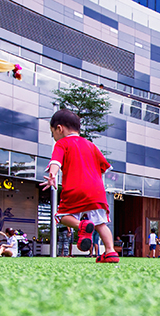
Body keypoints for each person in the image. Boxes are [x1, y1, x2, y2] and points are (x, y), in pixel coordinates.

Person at [41, 109, 120, 263]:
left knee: (62, 216)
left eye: (53, 133)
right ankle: (110, 252)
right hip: (96, 190)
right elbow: (104, 168)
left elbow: (56, 162)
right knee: (100, 223)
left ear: (59, 128)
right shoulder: (91, 145)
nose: (53, 137)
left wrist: (52, 176)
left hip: (75, 187)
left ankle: (81, 224)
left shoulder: (61, 143)